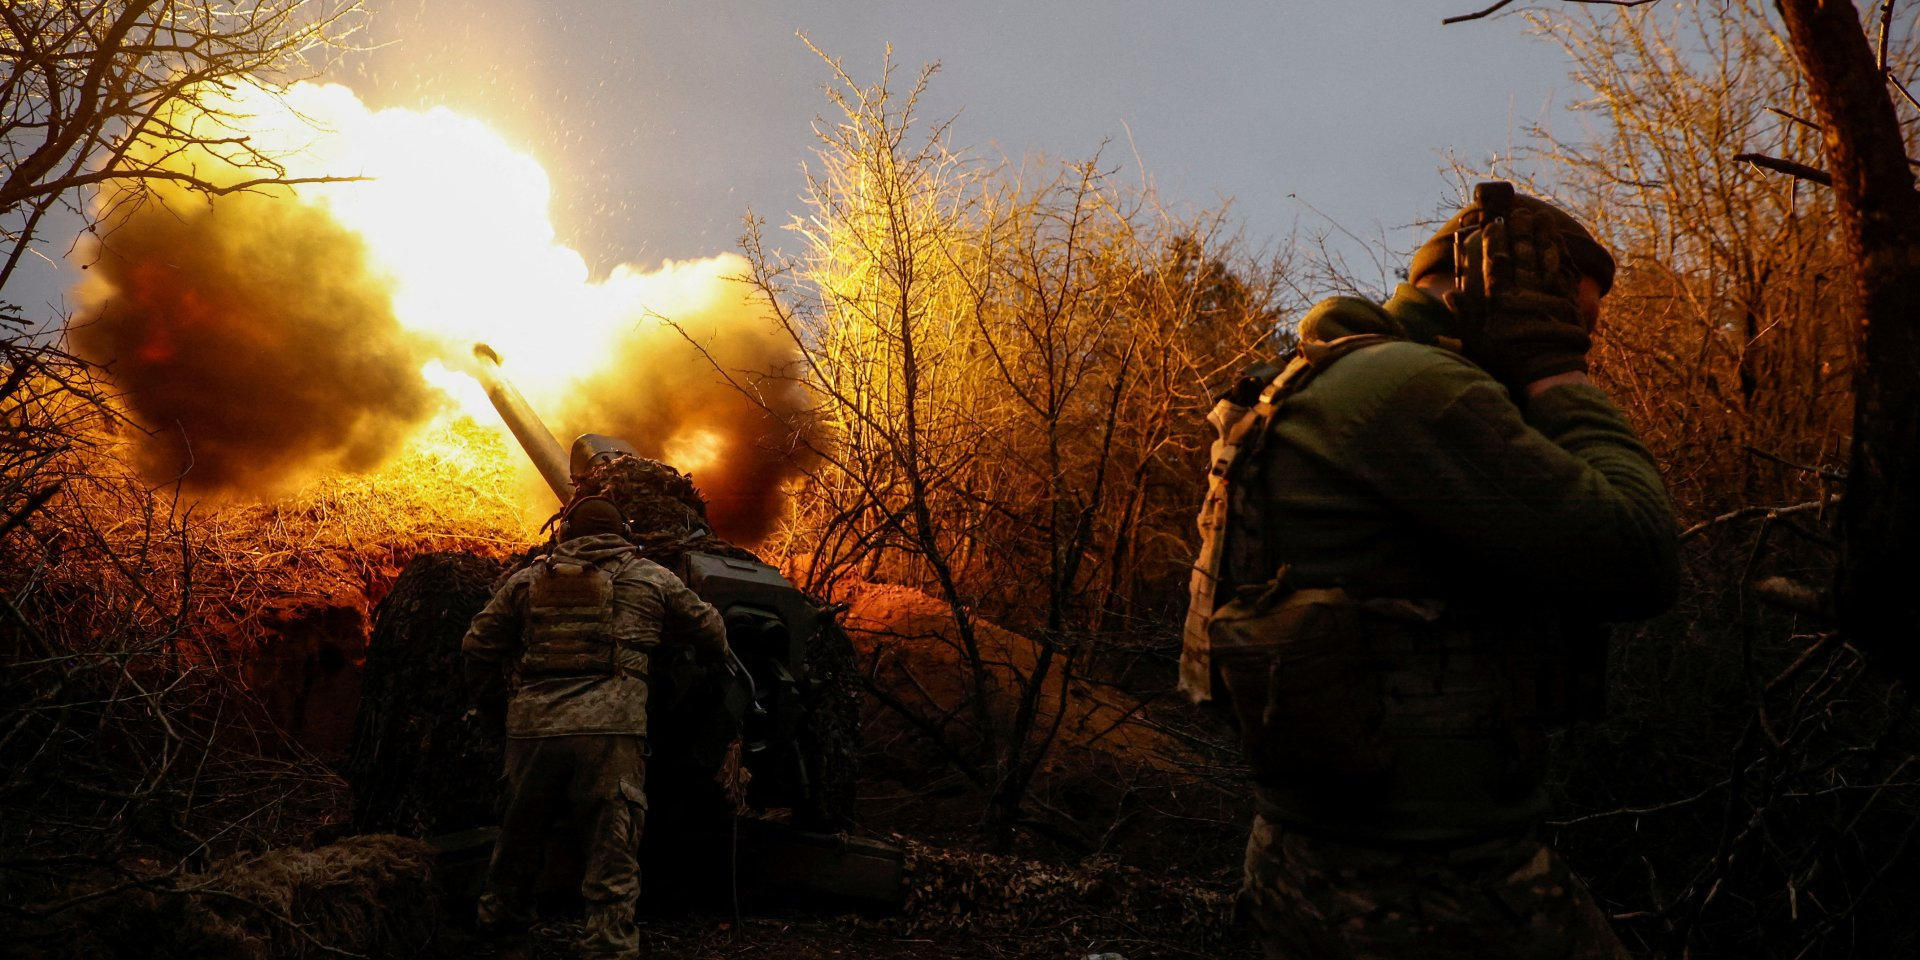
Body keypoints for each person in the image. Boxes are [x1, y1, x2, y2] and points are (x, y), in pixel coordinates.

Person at [1182, 184, 1679, 959]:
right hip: (1429, 884)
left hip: (1309, 857)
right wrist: (1556, 370)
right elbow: (1640, 556)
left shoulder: (1320, 378)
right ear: (1501, 290)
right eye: (1573, 317)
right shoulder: (1415, 389)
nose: (1583, 344)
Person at [463, 495, 730, 959]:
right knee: (612, 855)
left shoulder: (527, 582)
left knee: (517, 847)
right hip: (610, 735)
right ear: (621, 534)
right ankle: (607, 947)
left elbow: (476, 647)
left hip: (533, 733)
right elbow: (712, 633)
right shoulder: (651, 579)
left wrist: (494, 712)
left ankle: (501, 939)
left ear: (565, 533)